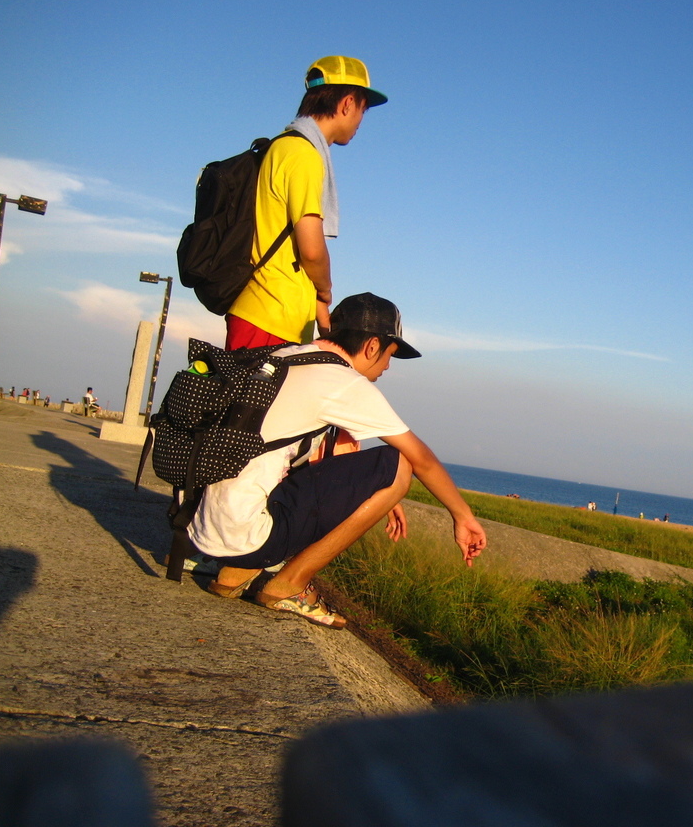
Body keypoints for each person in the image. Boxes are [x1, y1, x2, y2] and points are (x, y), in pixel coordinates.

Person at [192, 292, 487, 628]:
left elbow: (326, 458)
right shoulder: (342, 382)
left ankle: (232, 575)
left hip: (206, 526)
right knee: (398, 463)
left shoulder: (286, 354)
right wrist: (462, 517)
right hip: (246, 533)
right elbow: (420, 458)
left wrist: (381, 495)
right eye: (390, 355)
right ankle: (290, 585)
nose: (388, 367)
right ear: (372, 346)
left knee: (378, 471)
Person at [225, 56, 388, 351]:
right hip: (269, 317)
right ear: (347, 103)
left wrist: (320, 315)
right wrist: (326, 289)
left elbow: (290, 249)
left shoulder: (285, 146)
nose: (361, 120)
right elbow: (311, 251)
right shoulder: (304, 155)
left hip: (266, 313)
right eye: (363, 109)